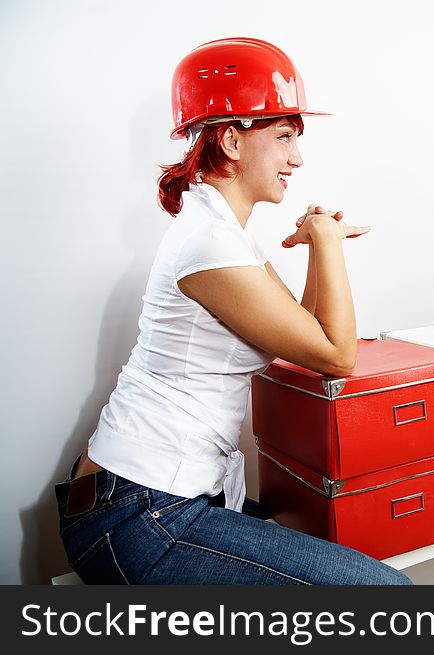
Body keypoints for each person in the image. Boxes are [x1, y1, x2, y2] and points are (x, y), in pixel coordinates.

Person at [54, 37, 411, 585]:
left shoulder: (226, 235)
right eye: (285, 136)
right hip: (137, 511)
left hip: (152, 498)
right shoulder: (209, 244)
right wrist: (331, 243)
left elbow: (305, 338)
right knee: (385, 592)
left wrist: (320, 244)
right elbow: (337, 356)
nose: (297, 158)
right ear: (231, 140)